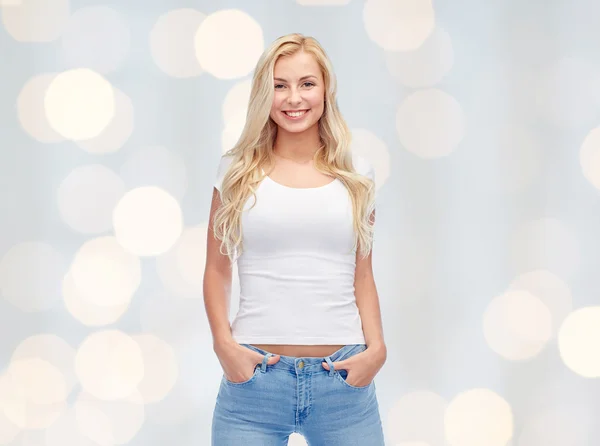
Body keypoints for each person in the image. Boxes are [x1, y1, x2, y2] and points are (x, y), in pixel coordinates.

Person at [204, 33, 387, 445]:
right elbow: (217, 269)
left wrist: (376, 349)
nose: (293, 99)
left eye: (306, 83)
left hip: (343, 383)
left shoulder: (358, 173)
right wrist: (224, 346)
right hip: (254, 385)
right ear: (264, 95)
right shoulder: (235, 171)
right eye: (279, 86)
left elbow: (363, 275)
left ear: (326, 89)